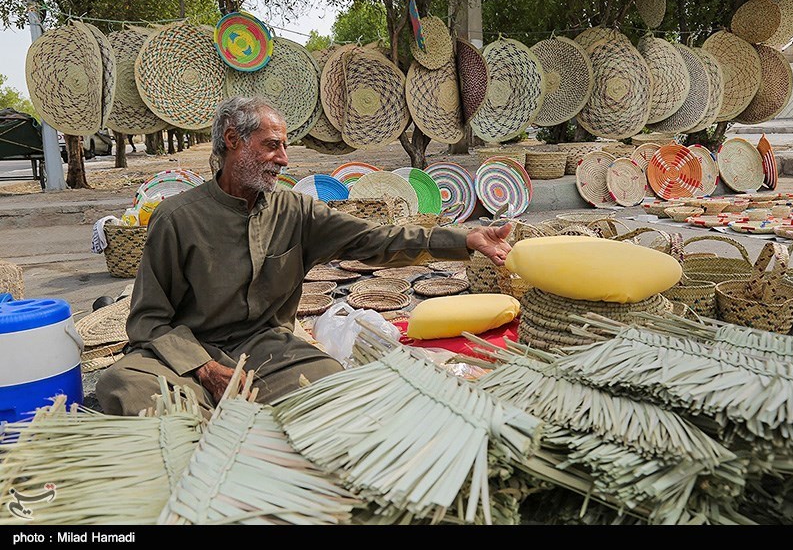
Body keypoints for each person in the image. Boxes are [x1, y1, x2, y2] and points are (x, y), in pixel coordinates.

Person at [96, 96, 513, 418]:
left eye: (284, 147)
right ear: (232, 141)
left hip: (263, 349)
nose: (283, 159)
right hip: (187, 357)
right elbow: (148, 320)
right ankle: (212, 423)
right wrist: (205, 369)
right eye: (272, 146)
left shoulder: (295, 210)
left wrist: (465, 239)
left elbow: (378, 239)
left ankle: (217, 420)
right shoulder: (176, 217)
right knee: (122, 383)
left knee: (333, 382)